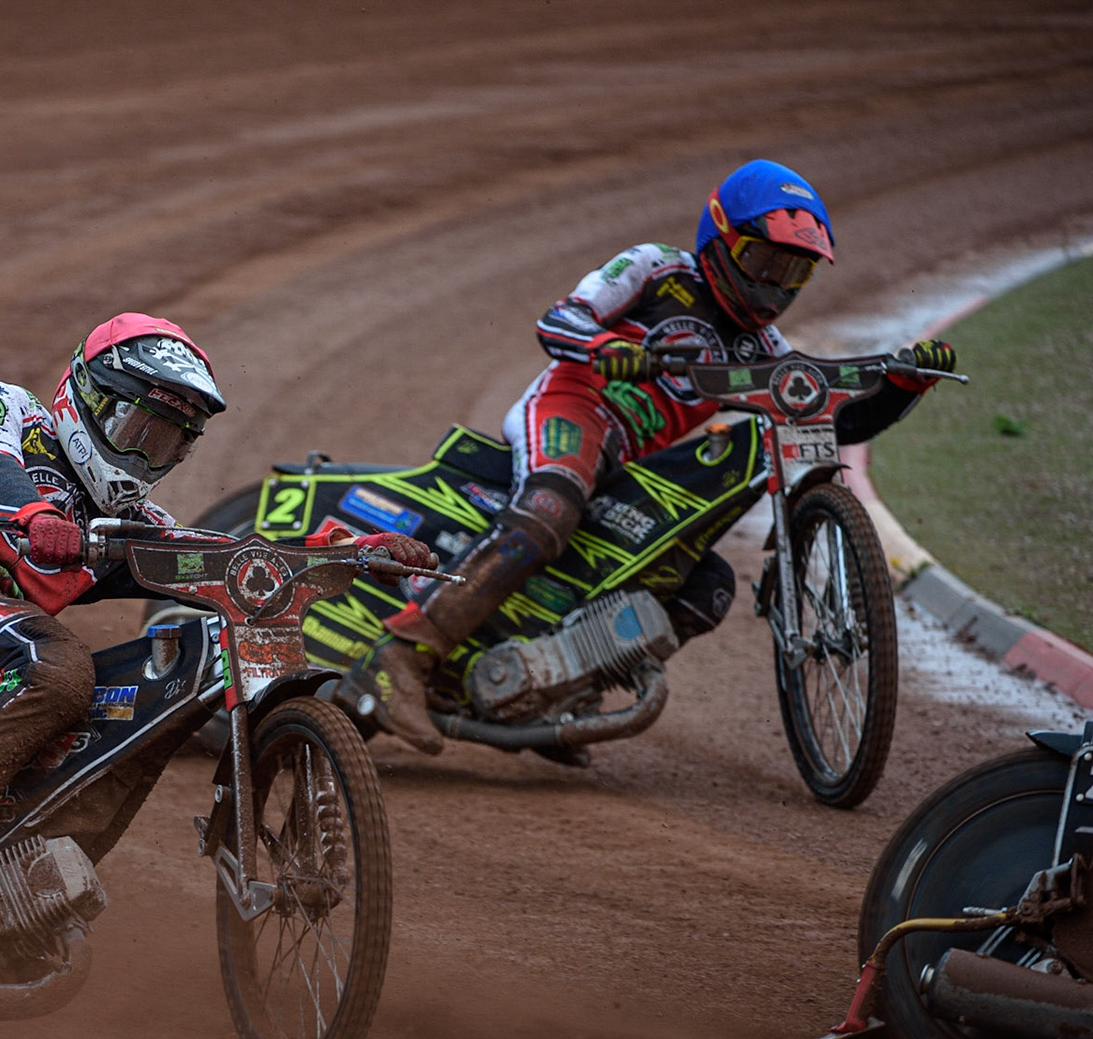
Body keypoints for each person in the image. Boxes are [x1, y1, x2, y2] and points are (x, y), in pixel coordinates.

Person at [0, 313, 435, 945]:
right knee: (59, 670)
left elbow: (229, 557)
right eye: (136, 429)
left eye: (167, 444)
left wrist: (347, 553)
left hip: (4, 630)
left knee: (116, 709)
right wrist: (36, 515)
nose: (146, 456)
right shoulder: (5, 407)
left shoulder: (130, 521)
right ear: (85, 396)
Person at [335, 158, 959, 755]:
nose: (774, 284)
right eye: (763, 260)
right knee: (551, 509)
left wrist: (902, 386)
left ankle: (556, 691)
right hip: (571, 409)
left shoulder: (764, 347)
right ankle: (402, 657)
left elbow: (821, 416)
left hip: (629, 458)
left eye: (794, 273)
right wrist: (608, 345)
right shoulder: (656, 268)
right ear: (720, 237)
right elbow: (559, 321)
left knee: (707, 584)